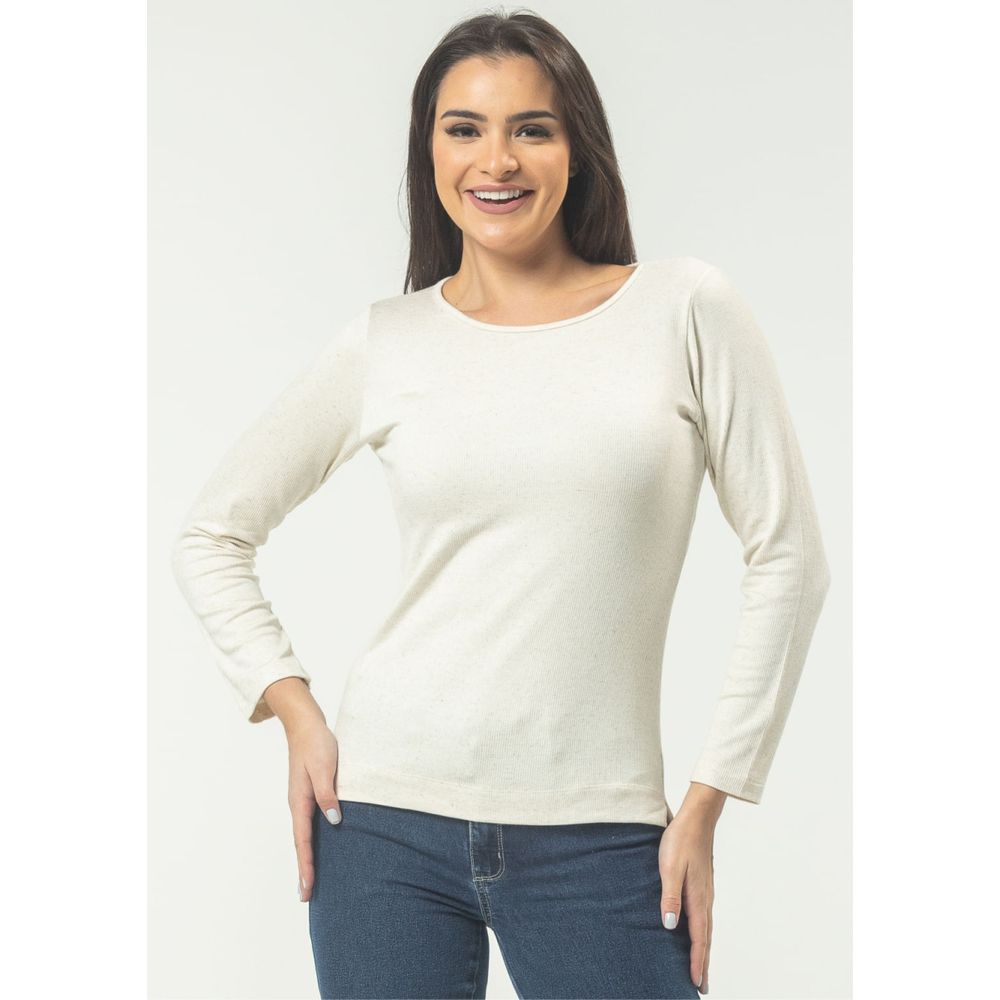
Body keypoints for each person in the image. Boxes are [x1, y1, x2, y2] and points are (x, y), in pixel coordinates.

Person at [170, 9, 831, 999]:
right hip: (381, 826)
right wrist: (294, 707)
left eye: (532, 127)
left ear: (577, 147)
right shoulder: (389, 341)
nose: (497, 160)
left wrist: (709, 797)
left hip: (600, 837)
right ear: (429, 149)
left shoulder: (684, 309)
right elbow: (210, 532)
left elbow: (790, 557)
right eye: (464, 128)